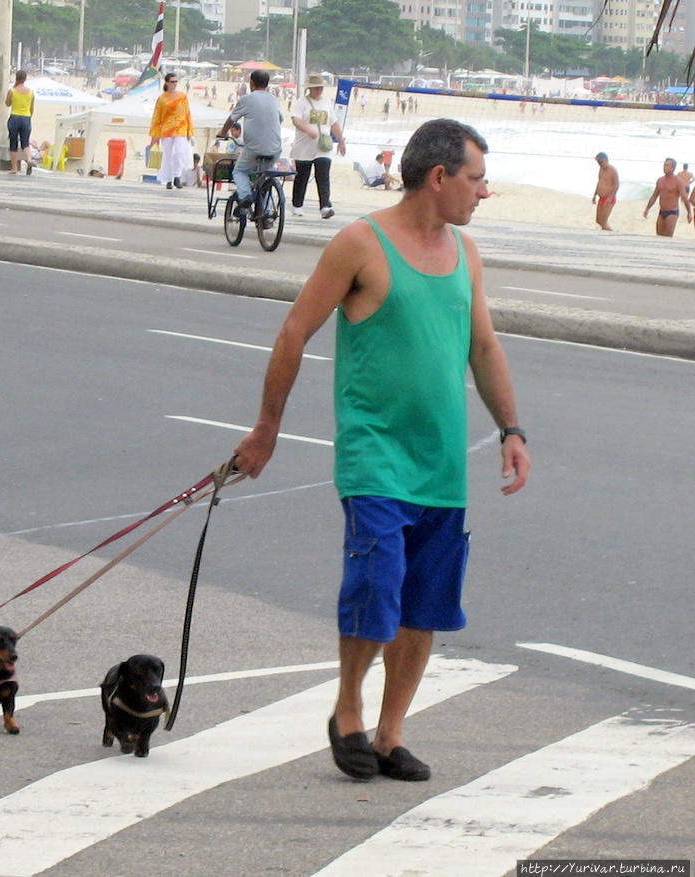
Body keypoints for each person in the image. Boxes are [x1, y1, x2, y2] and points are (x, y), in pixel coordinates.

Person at [233, 118, 530, 784]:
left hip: (442, 464)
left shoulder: (466, 254)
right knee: (376, 585)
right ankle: (347, 712)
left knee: (424, 605)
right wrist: (266, 428)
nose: (484, 192)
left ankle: (392, 733)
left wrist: (512, 429)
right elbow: (293, 334)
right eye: (477, 179)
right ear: (438, 177)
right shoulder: (360, 244)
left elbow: (484, 348)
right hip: (374, 457)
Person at [216, 70, 283, 213]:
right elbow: (280, 119)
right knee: (265, 175)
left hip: (254, 149)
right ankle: (265, 211)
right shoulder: (274, 100)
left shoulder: (247, 99)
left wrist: (222, 132)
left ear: (251, 82)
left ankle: (246, 196)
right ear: (268, 84)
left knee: (239, 171)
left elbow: (232, 119)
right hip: (275, 149)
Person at [290, 73, 346, 219]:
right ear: (310, 89)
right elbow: (295, 120)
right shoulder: (301, 103)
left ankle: (325, 206)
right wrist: (308, 129)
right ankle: (297, 205)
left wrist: (341, 140)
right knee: (302, 176)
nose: (318, 90)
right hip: (304, 146)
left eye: (320, 88)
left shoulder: (327, 103)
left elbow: (333, 123)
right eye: (316, 88)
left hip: (323, 146)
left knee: (323, 175)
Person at [149, 72, 194, 190]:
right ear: (167, 83)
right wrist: (155, 135)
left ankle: (177, 176)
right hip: (166, 129)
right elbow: (157, 117)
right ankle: (168, 179)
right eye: (172, 81)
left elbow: (187, 113)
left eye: (176, 81)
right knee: (168, 155)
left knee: (179, 152)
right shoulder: (162, 98)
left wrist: (190, 131)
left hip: (181, 128)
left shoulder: (182, 96)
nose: (174, 84)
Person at [643, 158, 692, 237]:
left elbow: (685, 198)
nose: (664, 167)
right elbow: (655, 195)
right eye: (664, 165)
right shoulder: (660, 180)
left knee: (668, 237)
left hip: (672, 212)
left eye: (666, 165)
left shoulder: (677, 181)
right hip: (662, 212)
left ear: (672, 168)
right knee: (659, 236)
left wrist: (689, 213)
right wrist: (647, 208)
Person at [5, 70, 34, 175]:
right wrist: (29, 117)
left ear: (16, 77)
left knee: (13, 143)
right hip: (26, 118)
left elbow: (7, 104)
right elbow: (32, 108)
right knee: (25, 142)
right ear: (25, 78)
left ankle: (14, 168)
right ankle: (29, 159)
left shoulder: (12, 91)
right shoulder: (31, 92)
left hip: (15, 117)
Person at [591, 152, 619, 231]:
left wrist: (611, 196)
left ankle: (610, 233)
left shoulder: (613, 170)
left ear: (606, 160)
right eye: (598, 163)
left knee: (603, 221)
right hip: (601, 197)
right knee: (598, 220)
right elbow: (599, 182)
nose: (600, 164)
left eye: (601, 162)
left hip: (609, 197)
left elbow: (616, 185)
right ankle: (606, 231)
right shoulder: (601, 169)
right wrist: (594, 195)